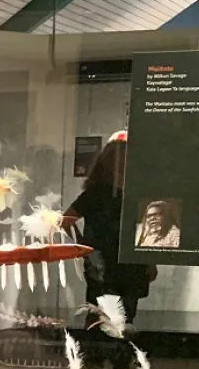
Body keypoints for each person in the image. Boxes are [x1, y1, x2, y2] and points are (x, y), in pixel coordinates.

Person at [62, 138, 155, 323]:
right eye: (119, 159)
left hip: (130, 262)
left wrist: (151, 261)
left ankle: (118, 349)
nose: (123, 163)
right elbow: (66, 221)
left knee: (126, 314)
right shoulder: (97, 193)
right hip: (102, 262)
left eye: (126, 159)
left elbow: (148, 227)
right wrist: (83, 247)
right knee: (100, 314)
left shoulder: (135, 193)